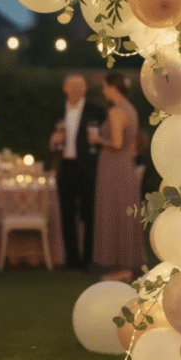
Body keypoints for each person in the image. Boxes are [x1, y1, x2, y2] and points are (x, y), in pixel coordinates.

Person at [88, 72, 146, 282]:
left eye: (105, 87)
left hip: (114, 168)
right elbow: (131, 144)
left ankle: (120, 267)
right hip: (125, 167)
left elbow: (117, 143)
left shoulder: (115, 111)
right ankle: (124, 266)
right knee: (123, 212)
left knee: (114, 212)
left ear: (113, 87)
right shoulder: (130, 109)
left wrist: (97, 139)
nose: (103, 91)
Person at [49, 73, 106, 271]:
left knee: (89, 214)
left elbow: (104, 140)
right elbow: (51, 143)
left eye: (80, 87)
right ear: (65, 89)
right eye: (72, 87)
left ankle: (89, 259)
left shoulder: (96, 111)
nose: (76, 90)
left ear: (85, 90)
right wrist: (53, 142)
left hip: (88, 167)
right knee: (67, 214)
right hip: (66, 167)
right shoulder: (58, 112)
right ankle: (71, 260)